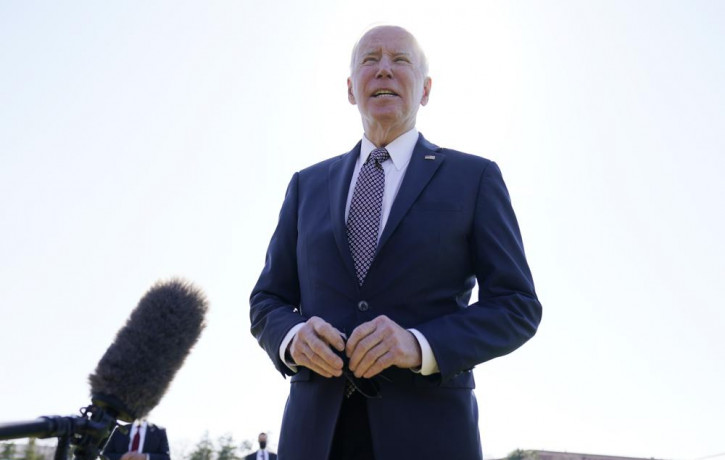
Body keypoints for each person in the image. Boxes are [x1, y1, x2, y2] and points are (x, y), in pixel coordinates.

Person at [250, 25, 542, 460]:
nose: (384, 70)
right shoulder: (306, 185)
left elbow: (517, 306)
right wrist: (292, 337)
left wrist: (419, 344)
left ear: (425, 89)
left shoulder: (474, 178)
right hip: (314, 439)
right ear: (351, 89)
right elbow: (267, 299)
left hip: (429, 435)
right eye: (370, 60)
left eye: (400, 61)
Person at [101, 419, 170, 460]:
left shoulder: (160, 432)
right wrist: (122, 457)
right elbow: (105, 455)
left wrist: (145, 457)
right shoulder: (119, 430)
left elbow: (165, 458)